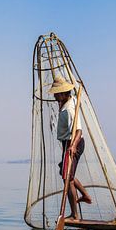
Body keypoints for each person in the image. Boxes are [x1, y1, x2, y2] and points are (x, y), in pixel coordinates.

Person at [49, 76, 92, 220]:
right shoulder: (68, 101)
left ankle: (75, 215)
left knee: (68, 178)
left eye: (57, 93)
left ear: (62, 93)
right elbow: (73, 94)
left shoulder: (69, 110)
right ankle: (85, 195)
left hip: (74, 143)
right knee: (65, 172)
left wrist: (73, 146)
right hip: (67, 144)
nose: (55, 96)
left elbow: (78, 131)